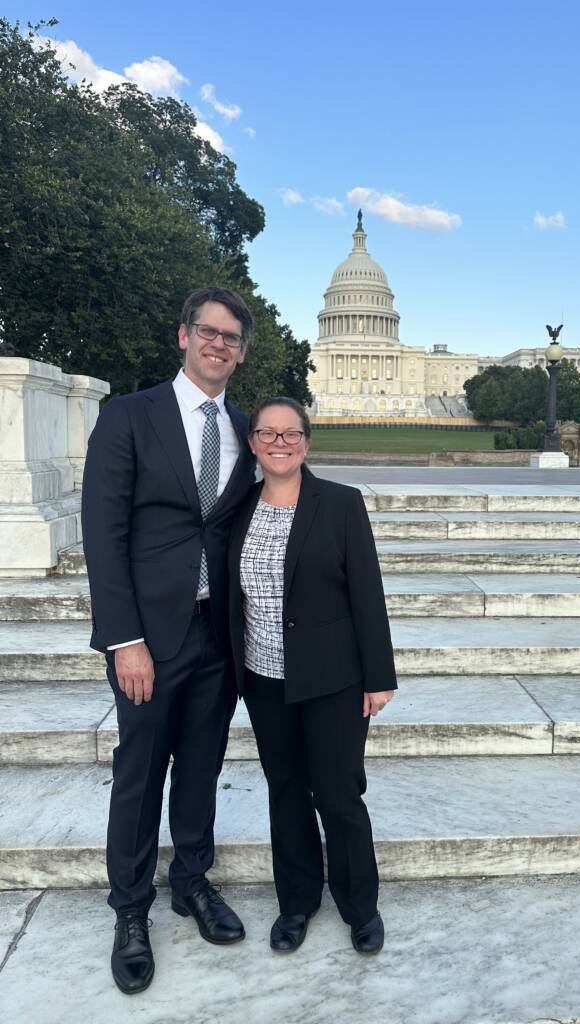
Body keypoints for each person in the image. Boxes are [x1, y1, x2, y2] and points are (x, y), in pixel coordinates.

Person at [82, 286, 256, 994]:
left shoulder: (244, 428)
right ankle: (130, 910)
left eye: (231, 338)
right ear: (182, 335)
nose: (219, 345)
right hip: (148, 636)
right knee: (140, 771)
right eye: (207, 332)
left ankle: (191, 881)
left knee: (201, 767)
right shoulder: (128, 416)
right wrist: (123, 639)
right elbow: (104, 532)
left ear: (241, 352)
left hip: (217, 632)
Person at [227, 396, 397, 955]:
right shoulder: (238, 508)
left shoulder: (341, 504)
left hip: (334, 678)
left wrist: (379, 676)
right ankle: (296, 901)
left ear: (307, 441)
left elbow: (367, 593)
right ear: (251, 442)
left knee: (339, 795)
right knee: (286, 792)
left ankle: (359, 905)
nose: (280, 442)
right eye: (267, 433)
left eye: (291, 433)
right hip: (263, 678)